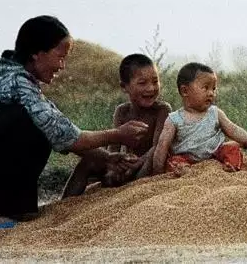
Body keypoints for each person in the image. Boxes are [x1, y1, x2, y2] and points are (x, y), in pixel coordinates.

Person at [0, 16, 148, 233]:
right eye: (59, 57)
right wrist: (119, 135)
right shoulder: (17, 82)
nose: (62, 66)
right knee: (31, 126)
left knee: (38, 122)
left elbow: (61, 127)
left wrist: (105, 157)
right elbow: (66, 136)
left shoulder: (9, 73)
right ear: (37, 53)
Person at [62, 54, 172, 197]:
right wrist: (115, 167)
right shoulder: (122, 111)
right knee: (90, 159)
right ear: (124, 87)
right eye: (142, 83)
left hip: (145, 167)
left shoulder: (162, 110)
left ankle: (134, 193)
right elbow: (112, 149)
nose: (151, 88)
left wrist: (135, 166)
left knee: (155, 151)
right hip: (125, 165)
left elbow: (158, 147)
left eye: (155, 81)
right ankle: (64, 204)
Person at [151, 62, 247, 176]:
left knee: (232, 148)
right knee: (175, 162)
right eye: (205, 88)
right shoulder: (174, 119)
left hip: (216, 154)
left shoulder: (215, 113)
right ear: (185, 91)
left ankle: (230, 168)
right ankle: (186, 173)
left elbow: (233, 129)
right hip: (187, 158)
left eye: (213, 89)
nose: (211, 93)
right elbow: (162, 146)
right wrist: (157, 172)